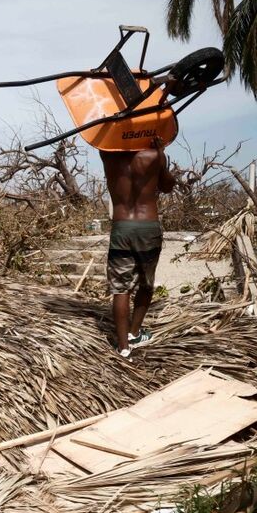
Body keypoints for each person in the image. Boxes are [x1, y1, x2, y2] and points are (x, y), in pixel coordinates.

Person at [100, 137, 176, 358]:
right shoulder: (154, 155)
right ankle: (134, 332)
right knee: (146, 282)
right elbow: (168, 186)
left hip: (121, 227)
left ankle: (123, 347)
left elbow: (99, 136)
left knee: (120, 288)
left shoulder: (108, 154)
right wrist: (161, 156)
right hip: (147, 227)